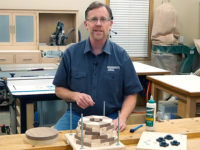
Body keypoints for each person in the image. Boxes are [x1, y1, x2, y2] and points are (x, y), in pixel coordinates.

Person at [53, 1, 143, 132]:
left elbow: (132, 94)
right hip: (76, 117)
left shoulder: (121, 56)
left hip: (110, 118)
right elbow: (59, 89)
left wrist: (122, 118)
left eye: (103, 19)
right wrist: (75, 96)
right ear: (86, 24)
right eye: (94, 19)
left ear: (110, 24)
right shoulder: (71, 54)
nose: (98, 24)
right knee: (57, 142)